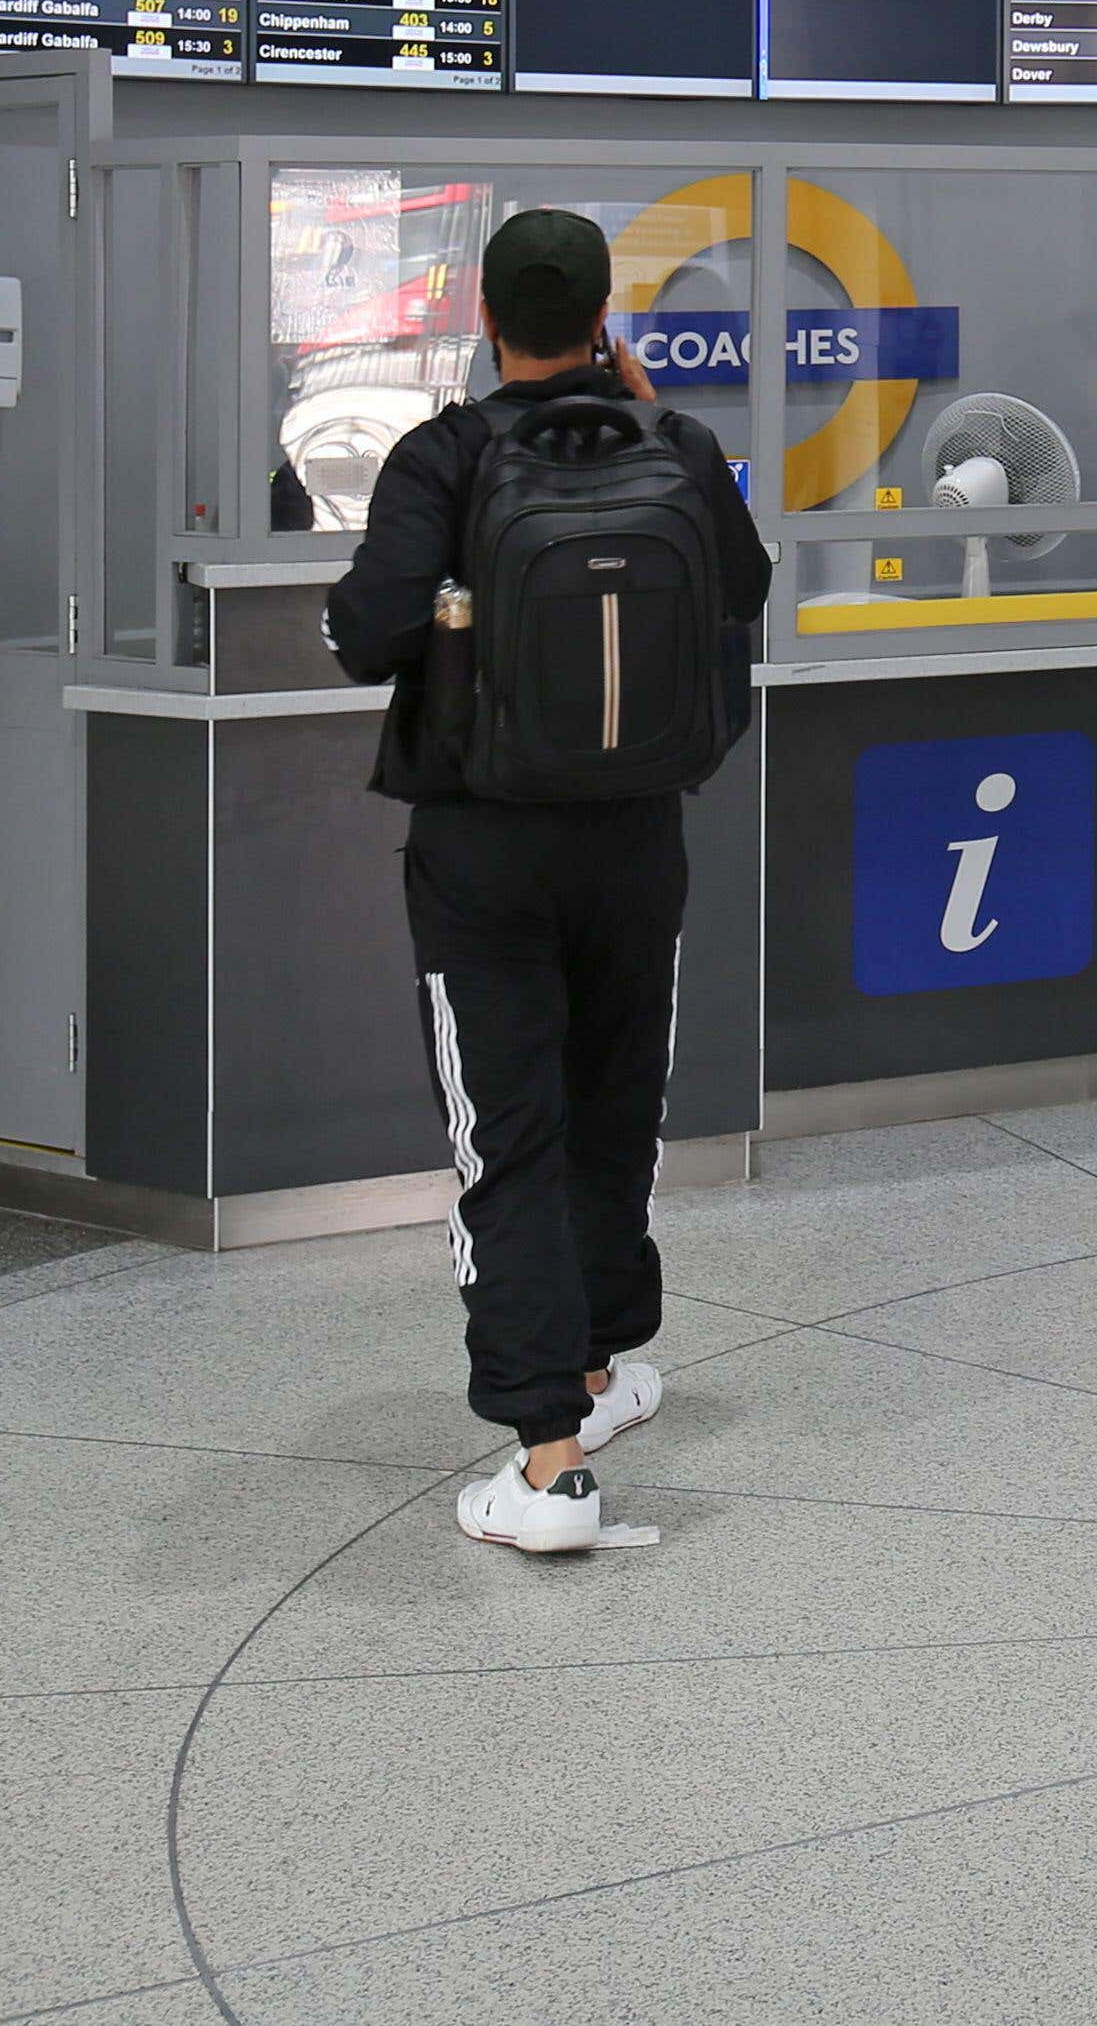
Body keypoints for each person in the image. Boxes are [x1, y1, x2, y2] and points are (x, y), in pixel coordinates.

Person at [322, 205, 774, 1557]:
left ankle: (548, 1462)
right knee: (613, 1102)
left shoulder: (443, 457)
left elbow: (365, 635)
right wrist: (655, 419)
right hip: (639, 835)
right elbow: (741, 583)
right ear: (603, 314)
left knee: (505, 1132)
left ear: (482, 312)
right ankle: (594, 1367)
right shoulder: (678, 447)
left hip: (484, 847)